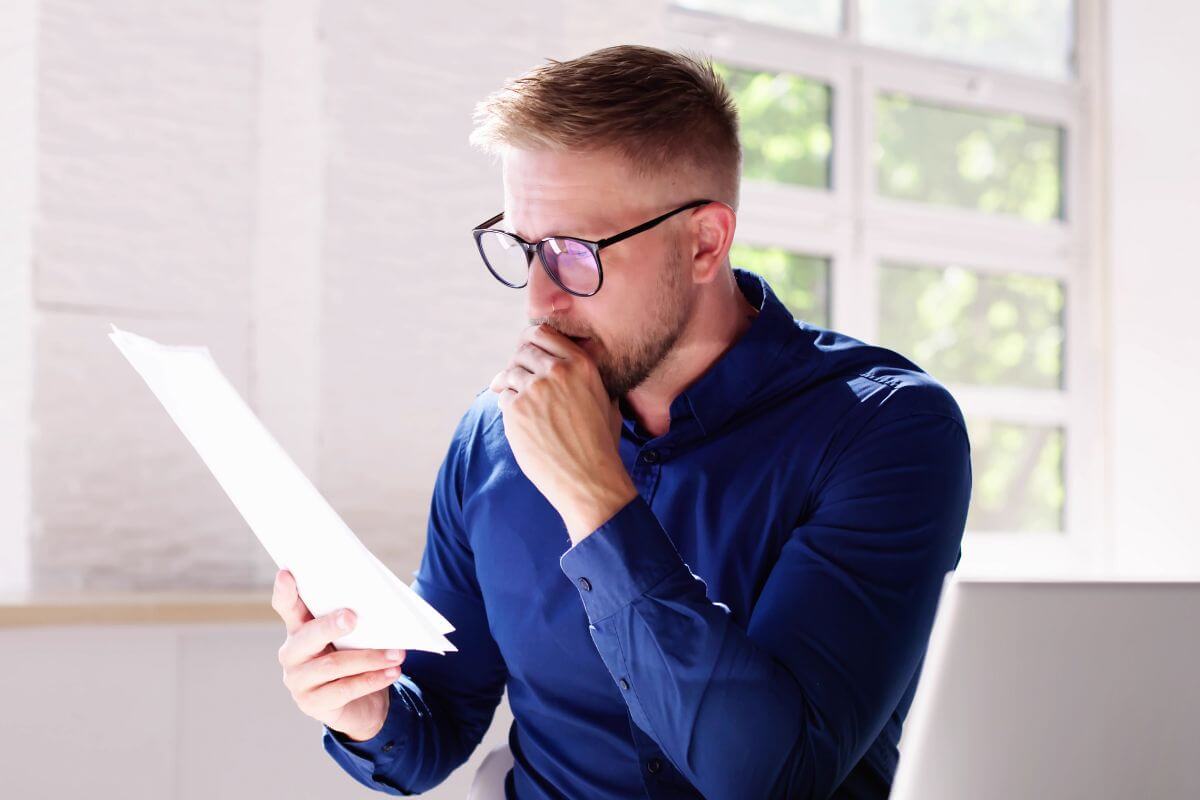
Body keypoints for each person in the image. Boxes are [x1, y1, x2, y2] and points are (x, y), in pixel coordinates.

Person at [271, 44, 971, 799]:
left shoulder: (887, 431)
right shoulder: (491, 438)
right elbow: (434, 723)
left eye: (574, 251)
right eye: (525, 247)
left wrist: (594, 501)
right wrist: (365, 710)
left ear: (704, 241)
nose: (540, 299)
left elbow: (772, 780)